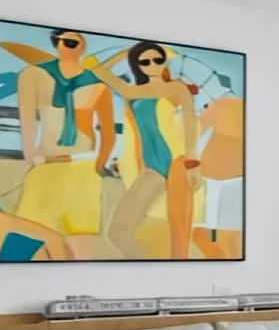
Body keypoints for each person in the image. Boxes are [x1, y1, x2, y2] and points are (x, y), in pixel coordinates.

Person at [86, 41, 199, 259]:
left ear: (164, 61)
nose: (152, 65)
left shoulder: (175, 88)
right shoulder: (131, 91)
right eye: (144, 62)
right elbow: (94, 70)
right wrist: (123, 53)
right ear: (138, 66)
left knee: (123, 232)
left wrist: (193, 163)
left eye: (157, 59)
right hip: (151, 164)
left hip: (173, 162)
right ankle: (153, 268)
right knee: (117, 232)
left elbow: (190, 123)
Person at [13, 28, 113, 258]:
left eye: (72, 42)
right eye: (60, 41)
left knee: (80, 241)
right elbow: (26, 119)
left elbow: (107, 131)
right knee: (25, 234)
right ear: (55, 45)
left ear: (83, 46)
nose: (66, 46)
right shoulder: (33, 74)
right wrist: (29, 156)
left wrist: (99, 165)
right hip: (46, 164)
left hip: (83, 165)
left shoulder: (97, 83)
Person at [193, 95, 244, 259]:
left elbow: (195, 129)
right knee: (222, 239)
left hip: (226, 183)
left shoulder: (223, 105)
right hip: (223, 182)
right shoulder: (228, 105)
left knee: (222, 238)